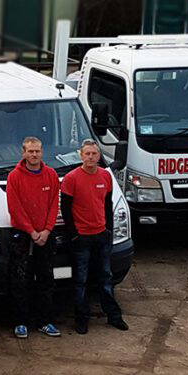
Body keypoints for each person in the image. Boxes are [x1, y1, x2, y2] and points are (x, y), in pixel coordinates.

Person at [60, 140, 127, 334]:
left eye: (94, 154)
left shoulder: (106, 176)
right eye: (87, 154)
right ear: (81, 156)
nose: (90, 157)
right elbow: (66, 209)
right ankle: (82, 319)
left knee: (106, 278)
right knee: (80, 280)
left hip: (101, 236)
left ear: (99, 156)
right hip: (81, 238)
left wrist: (108, 231)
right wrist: (74, 235)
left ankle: (114, 316)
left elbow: (107, 205)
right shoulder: (71, 179)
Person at [4, 136, 63, 339]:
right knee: (21, 280)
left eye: (37, 151)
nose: (34, 154)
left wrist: (46, 230)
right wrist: (31, 231)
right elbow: (15, 208)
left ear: (42, 152)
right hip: (22, 236)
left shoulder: (51, 175)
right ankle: (21, 322)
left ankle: (45, 321)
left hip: (46, 236)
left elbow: (54, 204)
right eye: (30, 151)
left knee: (46, 279)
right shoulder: (14, 177)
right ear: (23, 153)